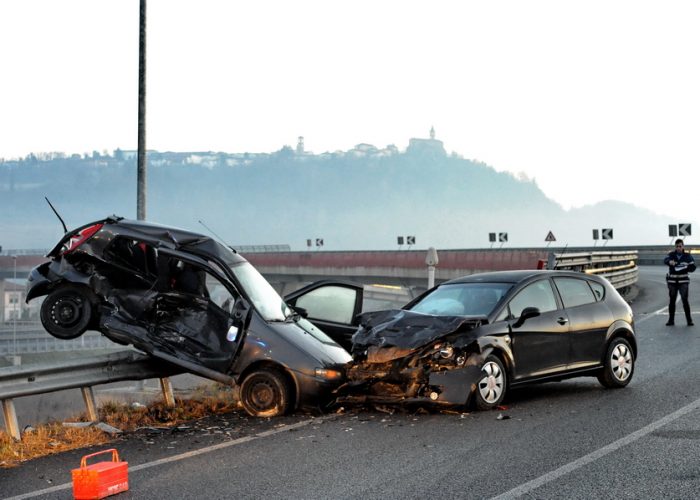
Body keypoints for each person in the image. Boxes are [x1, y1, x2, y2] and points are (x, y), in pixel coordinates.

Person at [664, 239, 696, 326]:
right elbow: (665, 260)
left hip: (683, 281)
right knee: (672, 300)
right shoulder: (671, 255)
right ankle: (671, 320)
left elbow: (693, 267)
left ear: (683, 246)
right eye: (677, 246)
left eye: (680, 246)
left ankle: (689, 320)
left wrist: (687, 267)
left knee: (685, 300)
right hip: (672, 281)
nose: (678, 248)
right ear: (675, 247)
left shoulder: (687, 256)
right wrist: (670, 262)